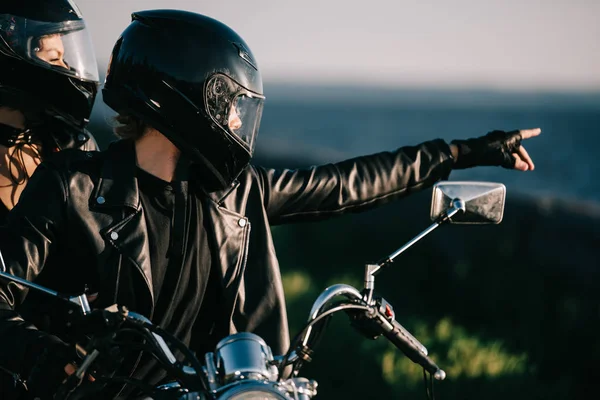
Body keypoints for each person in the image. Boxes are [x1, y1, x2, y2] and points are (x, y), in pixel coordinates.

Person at [0, 9, 540, 399]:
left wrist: (462, 153)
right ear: (182, 98)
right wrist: (48, 353)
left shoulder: (235, 194)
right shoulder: (72, 187)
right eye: (228, 103)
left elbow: (347, 184)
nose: (236, 120)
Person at [0, 0, 100, 397]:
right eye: (53, 55)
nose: (66, 68)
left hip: (68, 373)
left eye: (66, 55)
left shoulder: (72, 149)